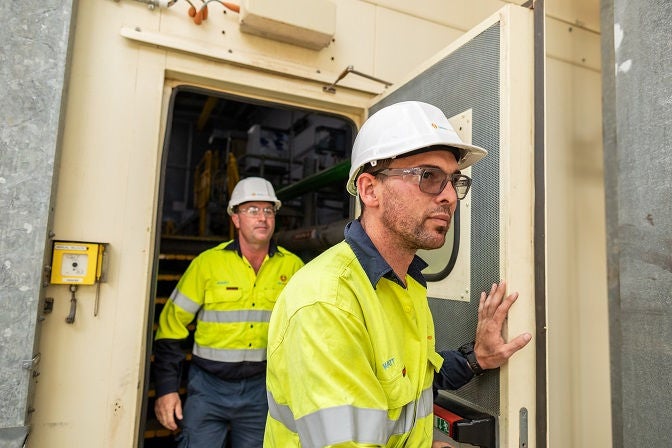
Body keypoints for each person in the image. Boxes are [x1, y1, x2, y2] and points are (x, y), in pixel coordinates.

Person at [264, 101, 532, 447]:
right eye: (429, 176)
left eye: (454, 181)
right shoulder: (327, 302)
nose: (450, 196)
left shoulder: (406, 282)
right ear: (369, 189)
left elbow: (410, 382)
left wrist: (476, 358)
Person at [152, 176, 305, 448]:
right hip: (208, 390)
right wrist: (166, 390)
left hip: (262, 389)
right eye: (252, 210)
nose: (263, 218)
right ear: (235, 218)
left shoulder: (293, 268)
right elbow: (170, 329)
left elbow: (307, 335)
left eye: (269, 210)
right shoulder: (207, 264)